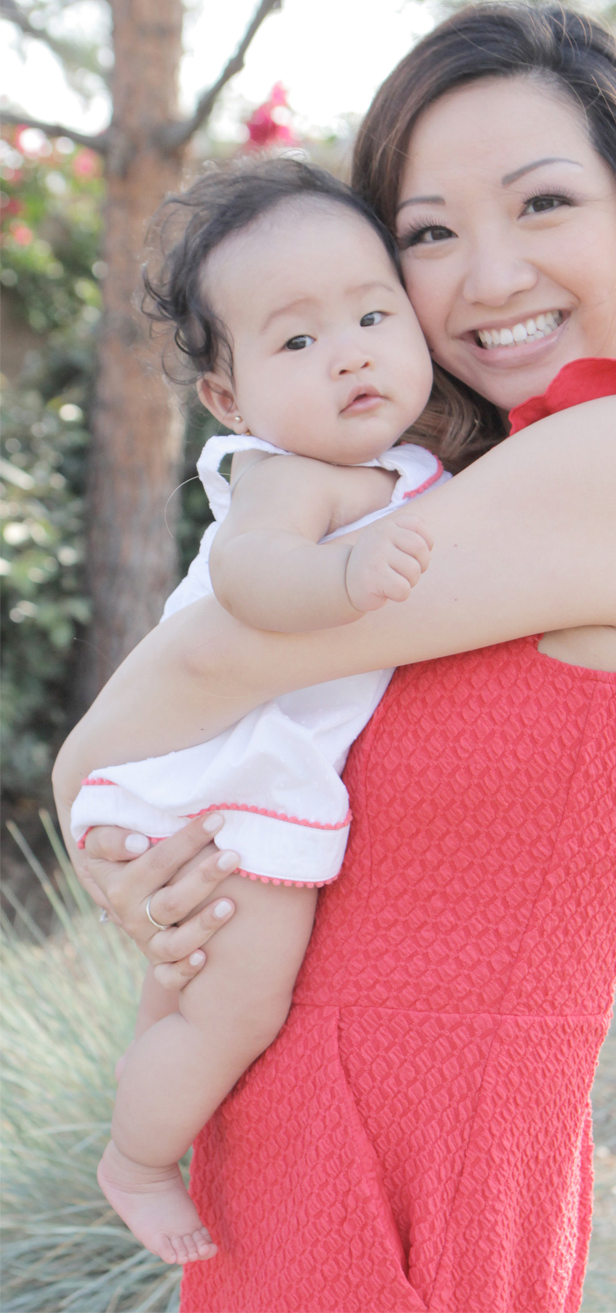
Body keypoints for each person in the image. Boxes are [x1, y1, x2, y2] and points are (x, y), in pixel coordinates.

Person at [53, 2, 616, 1312]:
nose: (490, 274)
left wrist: (87, 791)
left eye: (542, 204)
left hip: (415, 1145)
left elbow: (218, 657)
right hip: (318, 1134)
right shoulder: (460, 486)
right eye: (430, 234)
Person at [68, 160, 449, 1265]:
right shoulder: (291, 476)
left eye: (375, 313)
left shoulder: (392, 464)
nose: (350, 350)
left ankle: (147, 1124)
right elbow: (248, 577)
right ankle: (135, 1160)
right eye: (295, 341)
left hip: (207, 774)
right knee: (240, 1007)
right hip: (224, 777)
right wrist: (348, 583)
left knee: (190, 995)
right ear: (228, 401)